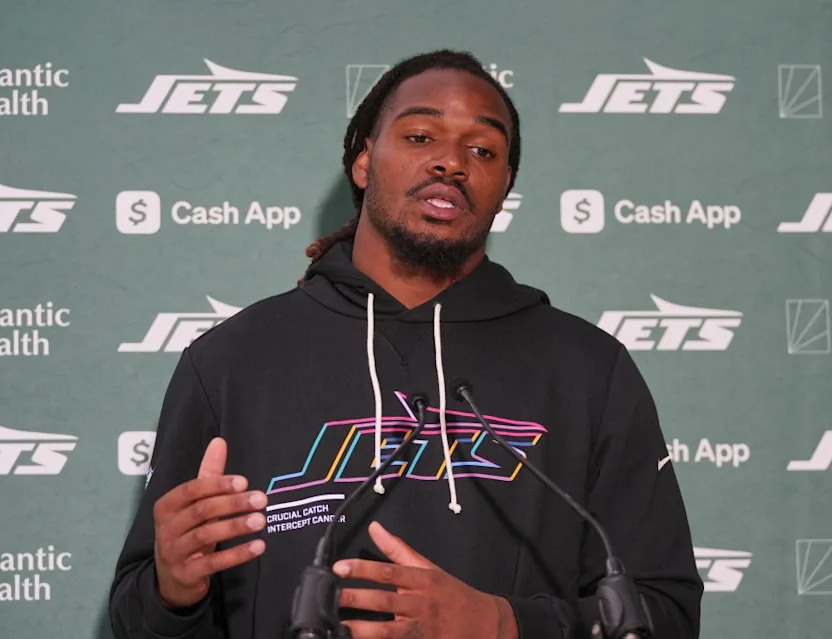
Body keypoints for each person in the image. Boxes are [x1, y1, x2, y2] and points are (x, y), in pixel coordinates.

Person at [108, 49, 703, 639]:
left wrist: (504, 624)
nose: (452, 162)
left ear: (505, 187)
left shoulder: (588, 369)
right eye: (420, 137)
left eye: (482, 150)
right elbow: (135, 619)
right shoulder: (231, 361)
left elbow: (665, 615)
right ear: (364, 160)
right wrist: (174, 593)